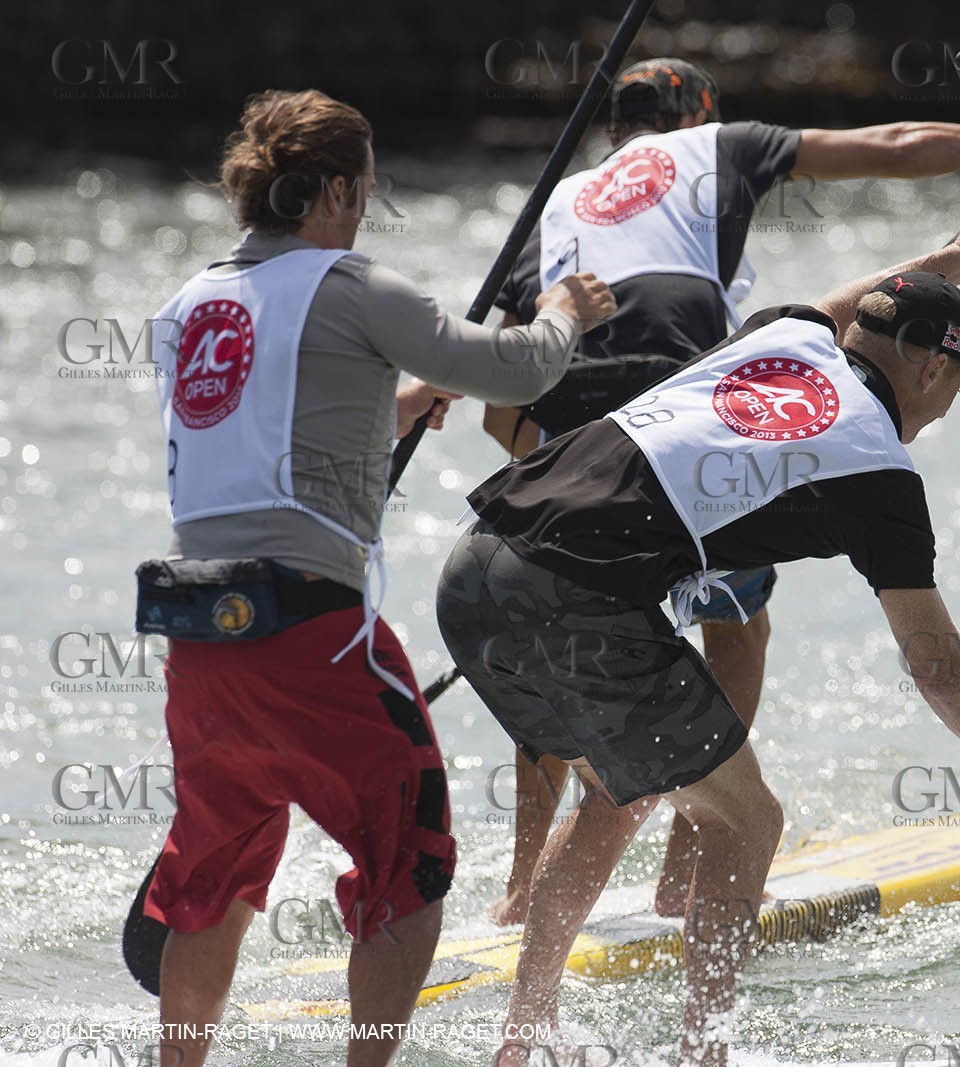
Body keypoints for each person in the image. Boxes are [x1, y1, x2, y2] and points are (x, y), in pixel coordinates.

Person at [436, 168, 960, 1067]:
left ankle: (520, 1043)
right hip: (577, 593)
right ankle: (703, 1055)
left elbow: (855, 305)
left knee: (614, 792)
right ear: (931, 365)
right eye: (954, 387)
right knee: (747, 820)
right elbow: (937, 661)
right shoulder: (880, 473)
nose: (946, 411)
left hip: (475, 564)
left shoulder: (783, 334)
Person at [482, 56, 960, 926]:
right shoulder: (719, 145)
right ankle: (694, 871)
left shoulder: (560, 198)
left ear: (615, 128)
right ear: (699, 114)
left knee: (565, 595)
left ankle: (517, 891)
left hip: (570, 418)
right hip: (682, 389)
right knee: (738, 629)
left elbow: (500, 405)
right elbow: (889, 145)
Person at [137, 88, 614, 1067]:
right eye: (363, 194)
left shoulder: (184, 309)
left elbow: (257, 439)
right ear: (340, 190)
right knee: (415, 862)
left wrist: (385, 408)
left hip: (200, 636)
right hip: (312, 631)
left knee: (217, 872)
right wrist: (564, 312)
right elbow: (518, 371)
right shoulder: (353, 286)